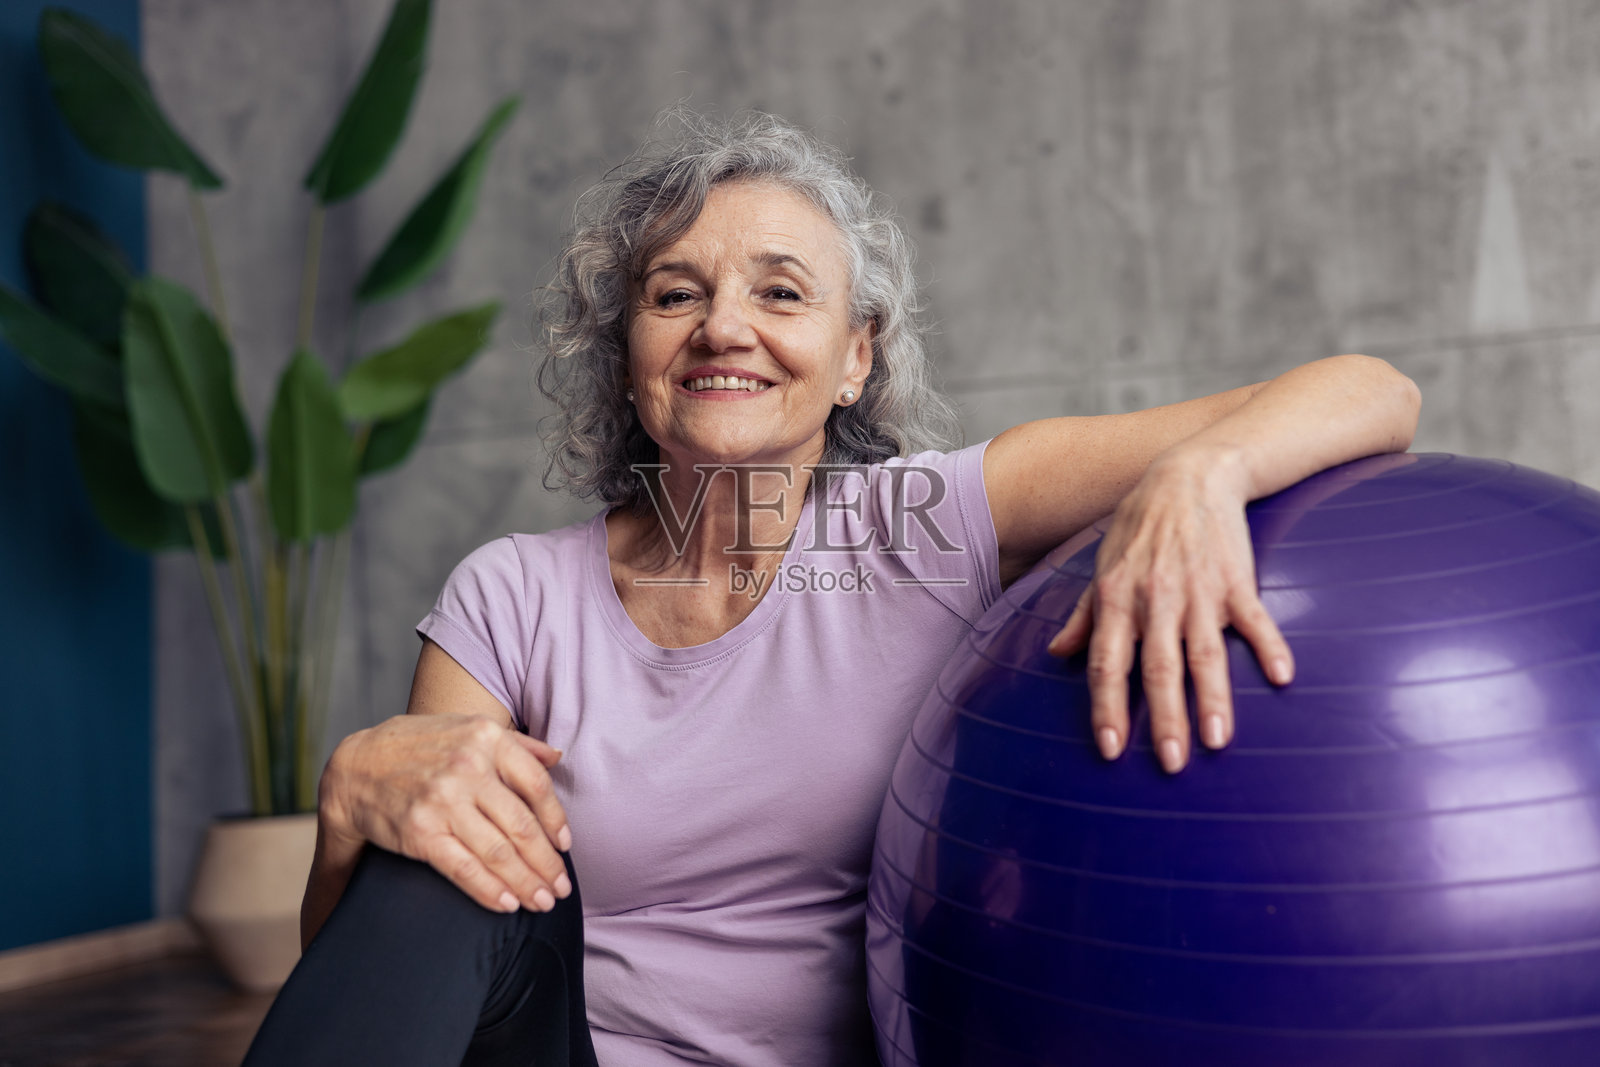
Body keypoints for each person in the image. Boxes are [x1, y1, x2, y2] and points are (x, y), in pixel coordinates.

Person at [244, 111, 1421, 1065]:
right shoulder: (511, 594)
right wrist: (356, 800)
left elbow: (1373, 390)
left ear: (856, 354)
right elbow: (388, 970)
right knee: (440, 818)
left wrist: (1196, 472)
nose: (723, 328)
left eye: (780, 292)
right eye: (673, 293)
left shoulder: (931, 525)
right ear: (627, 354)